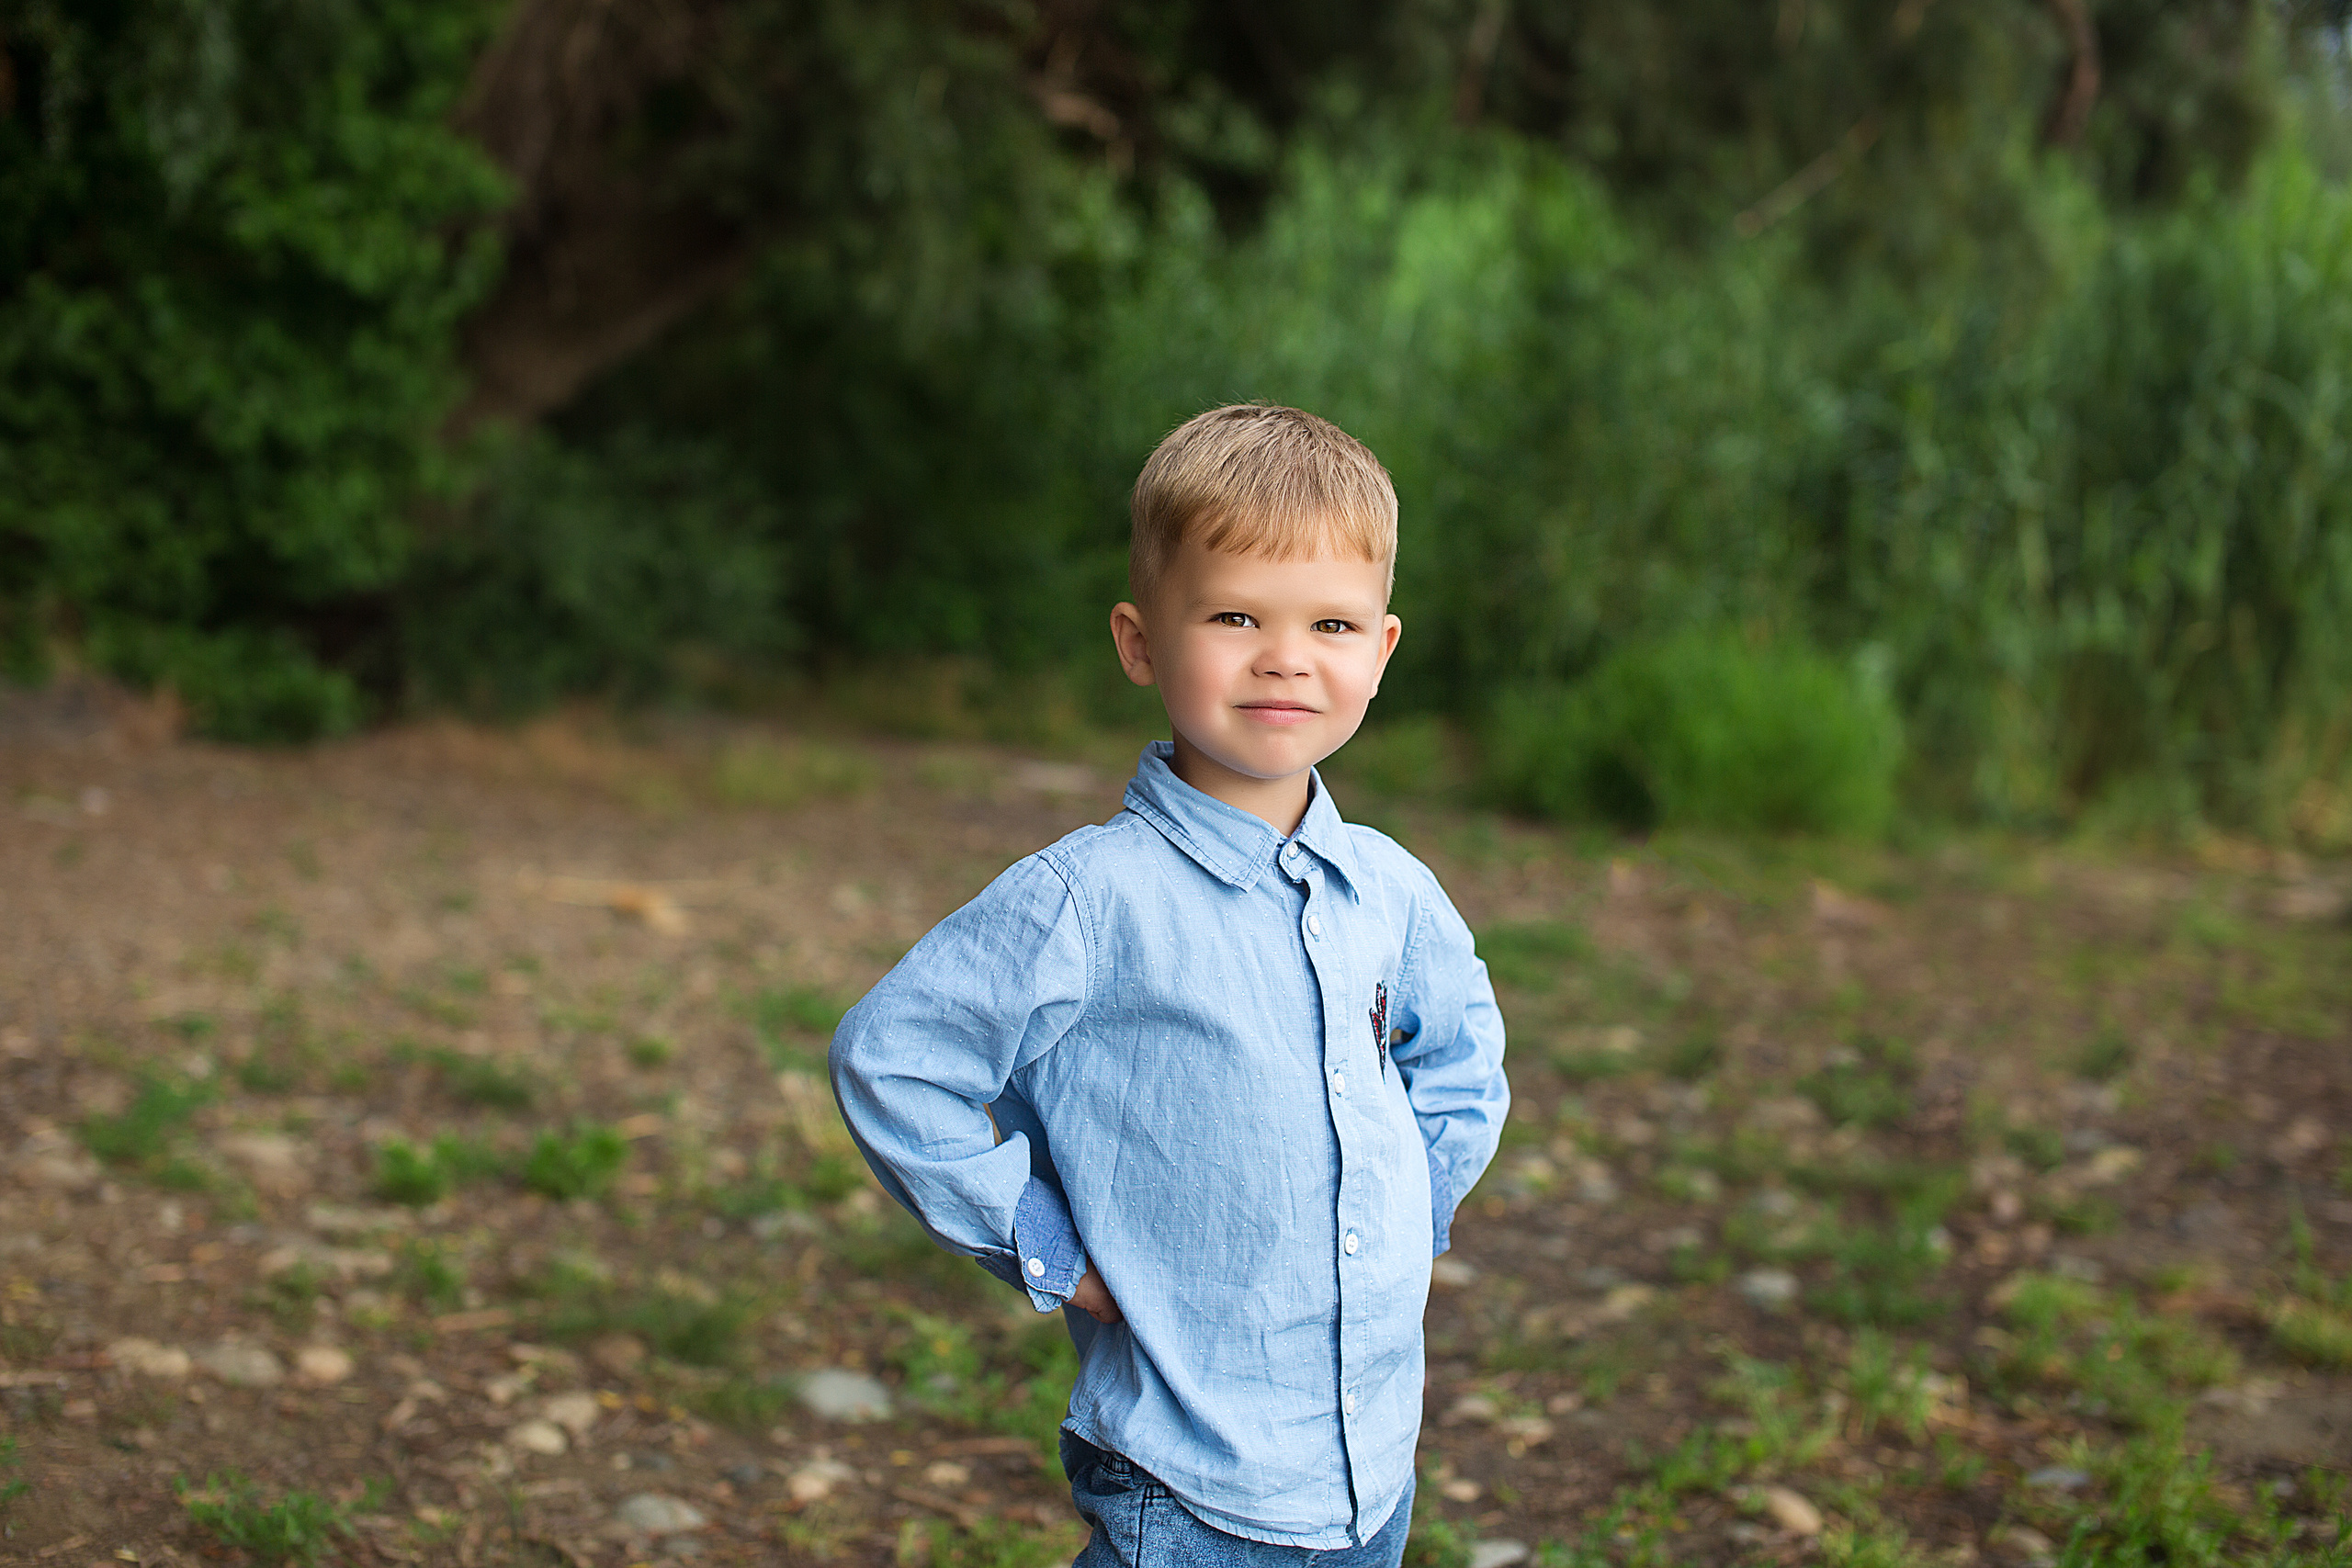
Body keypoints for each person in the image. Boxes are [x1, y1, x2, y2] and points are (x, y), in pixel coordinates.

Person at [830, 403, 1510, 1568]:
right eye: (1236, 615)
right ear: (1141, 643)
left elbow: (1459, 1060)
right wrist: (1039, 1240)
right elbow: (894, 1061)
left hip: (1365, 1464)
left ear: (1380, 653)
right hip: (1185, 1479)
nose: (1287, 655)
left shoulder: (1389, 890)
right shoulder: (1089, 901)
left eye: (1331, 623)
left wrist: (1407, 1212)